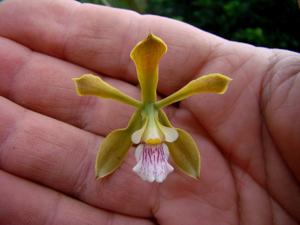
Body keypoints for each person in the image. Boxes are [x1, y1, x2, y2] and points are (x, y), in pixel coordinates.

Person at [0, 0, 299, 224]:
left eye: (152, 141)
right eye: (151, 140)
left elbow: (188, 164)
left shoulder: (156, 137)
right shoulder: (139, 134)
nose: (154, 142)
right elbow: (107, 161)